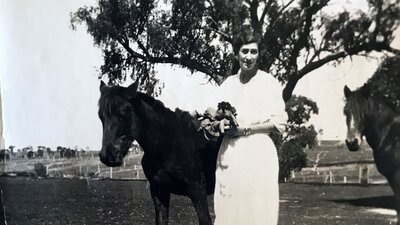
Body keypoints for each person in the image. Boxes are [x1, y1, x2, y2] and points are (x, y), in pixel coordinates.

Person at [212, 31, 287, 225]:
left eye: (254, 51)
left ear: (259, 54)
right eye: (244, 51)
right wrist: (220, 123)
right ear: (236, 53)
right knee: (228, 210)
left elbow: (279, 123)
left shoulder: (269, 83)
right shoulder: (228, 85)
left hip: (259, 154)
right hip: (230, 153)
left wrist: (246, 129)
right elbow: (213, 114)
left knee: (257, 211)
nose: (249, 56)